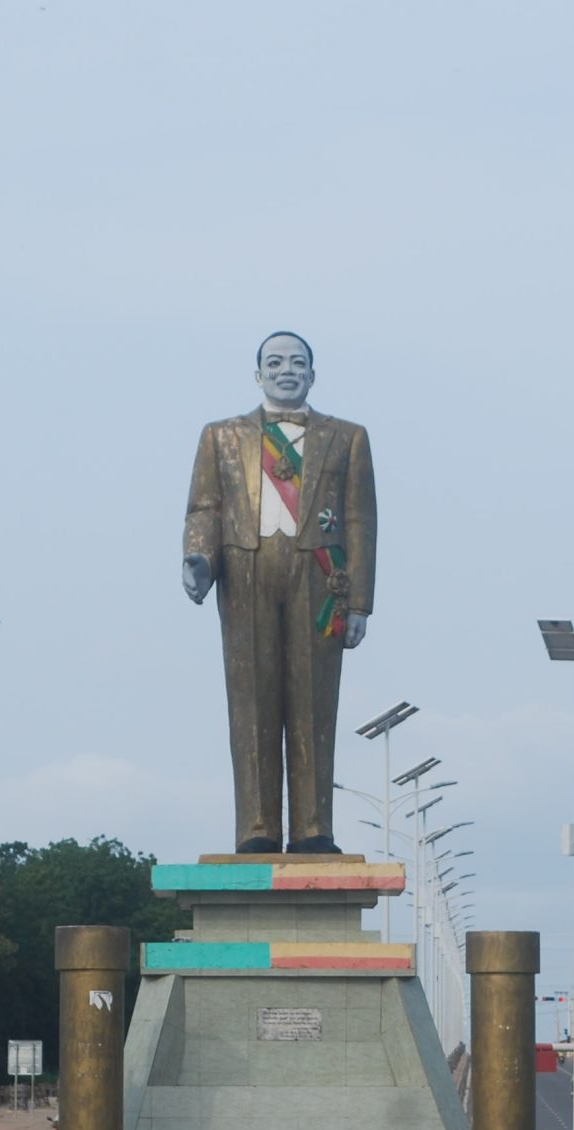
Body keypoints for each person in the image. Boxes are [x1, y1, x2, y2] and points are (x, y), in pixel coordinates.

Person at [181, 331, 378, 854]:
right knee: (251, 699)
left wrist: (359, 601)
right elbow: (206, 507)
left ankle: (313, 827)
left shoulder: (347, 437)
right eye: (275, 362)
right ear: (258, 375)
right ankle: (258, 827)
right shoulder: (220, 436)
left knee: (315, 701)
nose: (286, 370)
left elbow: (361, 519)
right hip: (245, 570)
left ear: (312, 374)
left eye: (297, 363)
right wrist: (199, 559)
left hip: (321, 574)